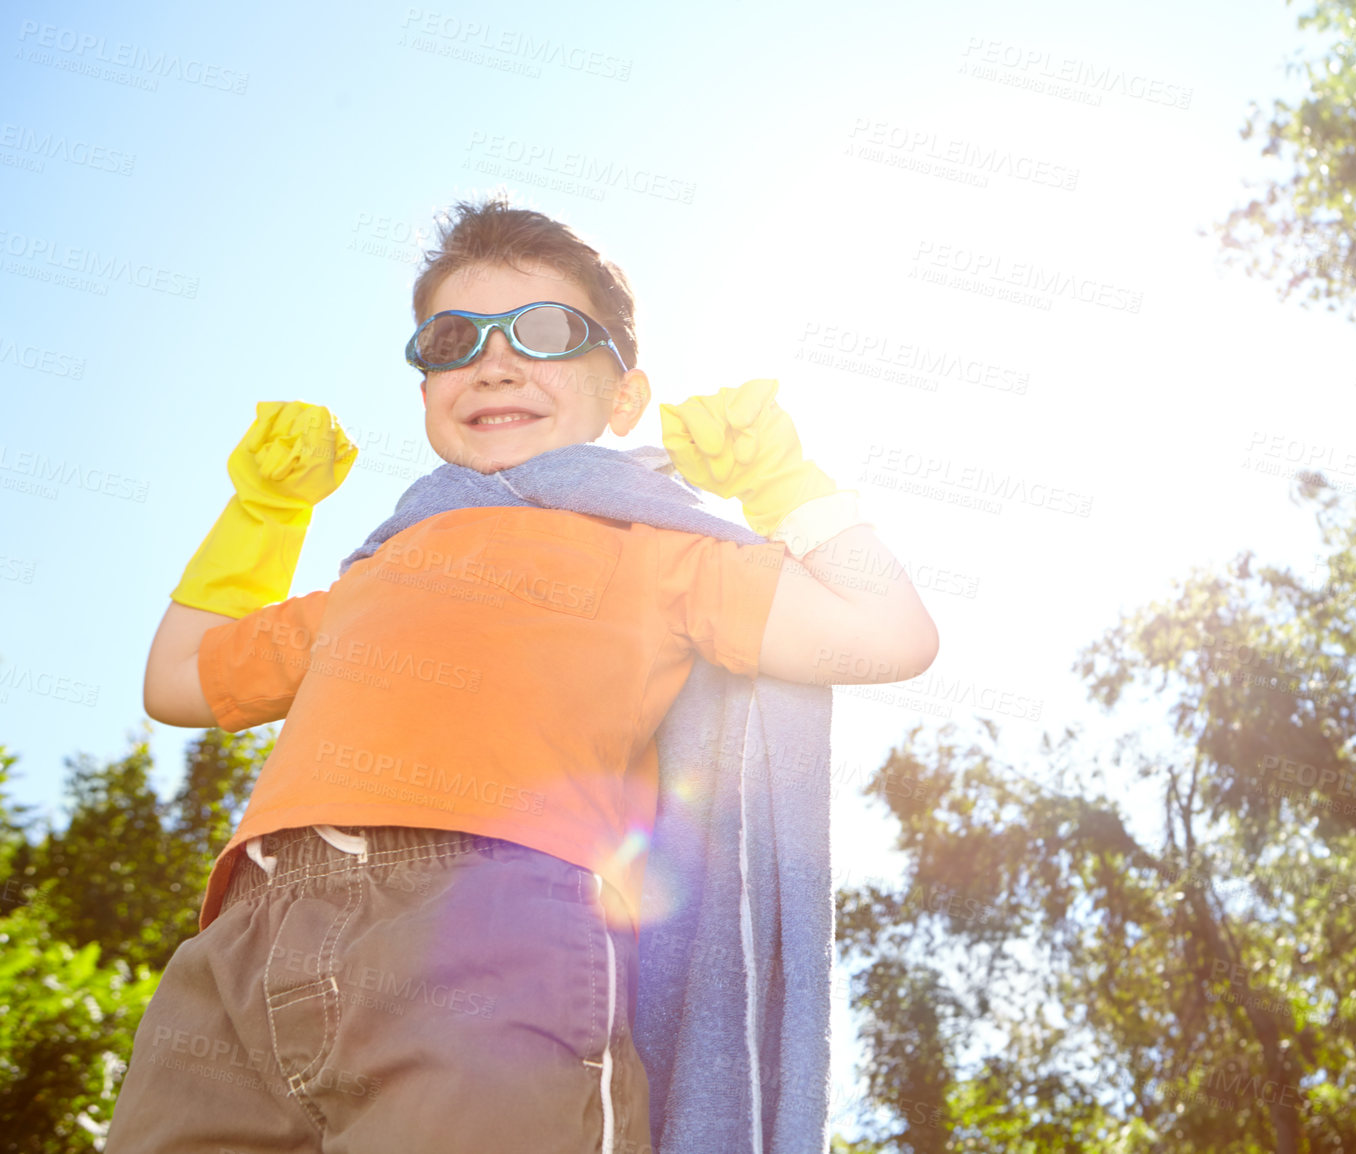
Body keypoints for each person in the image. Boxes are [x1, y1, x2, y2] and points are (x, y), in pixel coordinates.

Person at [109, 195, 939, 1153]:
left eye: (544, 332)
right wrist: (263, 513)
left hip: (493, 929)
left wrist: (788, 487)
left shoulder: (655, 553)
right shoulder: (374, 577)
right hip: (242, 944)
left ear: (623, 395)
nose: (494, 360)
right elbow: (176, 684)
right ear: (425, 390)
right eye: (453, 338)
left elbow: (888, 633)